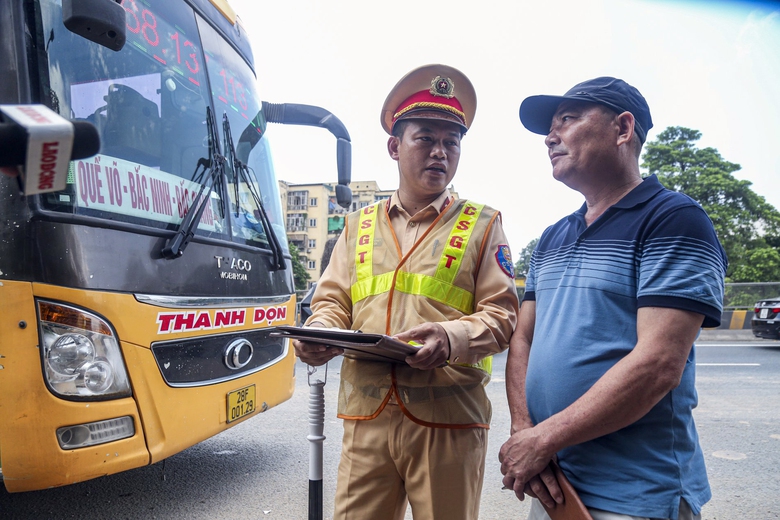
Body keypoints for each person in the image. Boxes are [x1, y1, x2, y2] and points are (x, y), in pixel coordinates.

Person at [293, 64, 518, 520]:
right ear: (395, 146)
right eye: (426, 139)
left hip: (448, 420)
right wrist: (319, 333)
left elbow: (503, 316)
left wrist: (451, 338)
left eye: (451, 143)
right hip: (366, 416)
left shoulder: (482, 224)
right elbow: (332, 301)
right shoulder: (357, 226)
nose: (440, 152)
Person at [498, 77, 727, 520]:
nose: (550, 136)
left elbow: (658, 363)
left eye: (567, 119)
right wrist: (524, 430)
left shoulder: (674, 219)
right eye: (550, 125)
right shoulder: (552, 237)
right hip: (555, 482)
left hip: (636, 493)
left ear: (623, 129)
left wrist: (543, 439)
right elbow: (522, 339)